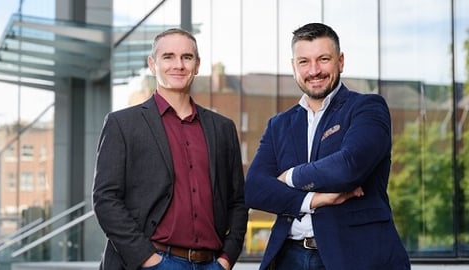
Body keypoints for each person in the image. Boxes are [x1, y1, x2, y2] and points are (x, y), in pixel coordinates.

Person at [244, 22, 410, 270]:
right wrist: (315, 200)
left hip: (354, 255)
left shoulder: (367, 108)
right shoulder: (279, 124)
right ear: (294, 67)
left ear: (340, 61)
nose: (314, 70)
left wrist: (289, 176)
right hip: (288, 256)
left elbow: (347, 167)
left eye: (323, 59)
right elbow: (255, 189)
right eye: (304, 62)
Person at [92, 28, 248, 270]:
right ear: (152, 64)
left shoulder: (223, 128)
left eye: (187, 57)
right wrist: (150, 261)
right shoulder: (122, 124)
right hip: (152, 261)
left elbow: (237, 201)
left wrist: (226, 260)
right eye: (168, 57)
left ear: (197, 65)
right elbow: (105, 199)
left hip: (211, 264)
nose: (179, 65)